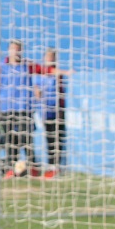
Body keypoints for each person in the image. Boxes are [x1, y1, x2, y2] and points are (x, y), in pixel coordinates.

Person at [0, 39, 39, 179]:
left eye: (18, 48)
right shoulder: (2, 67)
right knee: (10, 139)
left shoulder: (28, 66)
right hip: (6, 108)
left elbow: (47, 70)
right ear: (9, 50)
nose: (15, 51)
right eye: (13, 48)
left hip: (24, 108)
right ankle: (11, 167)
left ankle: (32, 167)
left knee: (25, 137)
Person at [34, 48, 69, 179]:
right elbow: (36, 89)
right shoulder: (40, 74)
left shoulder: (57, 74)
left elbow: (61, 91)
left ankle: (57, 165)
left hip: (57, 111)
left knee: (57, 138)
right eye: (48, 56)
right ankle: (51, 164)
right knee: (49, 138)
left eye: (52, 56)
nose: (50, 59)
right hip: (45, 111)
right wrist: (37, 92)